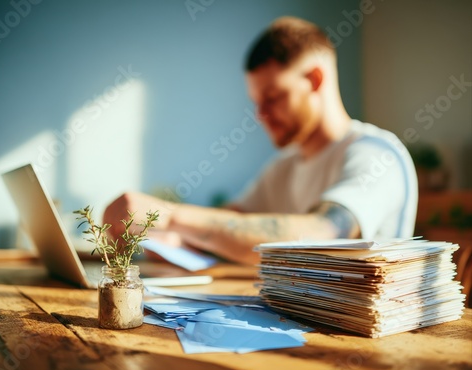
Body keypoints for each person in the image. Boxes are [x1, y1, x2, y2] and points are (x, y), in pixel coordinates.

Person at [103, 17, 418, 265]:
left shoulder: (377, 154)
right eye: (256, 102)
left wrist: (170, 215)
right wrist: (172, 237)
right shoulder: (284, 166)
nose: (261, 115)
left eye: (273, 97)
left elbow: (323, 234)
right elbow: (235, 220)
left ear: (315, 80)